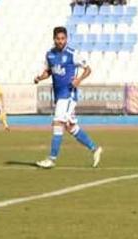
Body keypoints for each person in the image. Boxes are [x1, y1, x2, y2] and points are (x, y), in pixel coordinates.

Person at [33, 26, 102, 169]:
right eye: (58, 38)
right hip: (59, 95)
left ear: (66, 39)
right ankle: (95, 149)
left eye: (63, 38)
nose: (60, 41)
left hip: (69, 94)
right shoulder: (50, 55)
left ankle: (51, 159)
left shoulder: (72, 54)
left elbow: (88, 69)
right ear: (54, 39)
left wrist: (79, 80)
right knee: (71, 127)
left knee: (58, 122)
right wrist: (40, 78)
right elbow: (49, 72)